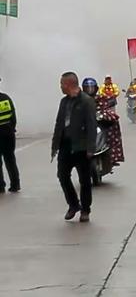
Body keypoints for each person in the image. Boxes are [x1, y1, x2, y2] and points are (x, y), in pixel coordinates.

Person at [51, 72, 97, 222]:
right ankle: (73, 205)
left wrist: (91, 148)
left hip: (81, 147)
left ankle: (85, 209)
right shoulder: (64, 102)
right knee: (62, 176)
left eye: (62, 84)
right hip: (66, 145)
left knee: (84, 180)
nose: (60, 87)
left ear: (70, 84)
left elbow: (91, 125)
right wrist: (55, 145)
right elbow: (59, 124)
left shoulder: (86, 101)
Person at [0, 88, 20, 193]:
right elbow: (13, 116)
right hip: (8, 134)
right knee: (10, 160)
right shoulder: (5, 98)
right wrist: (11, 128)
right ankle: (15, 184)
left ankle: (0, 186)